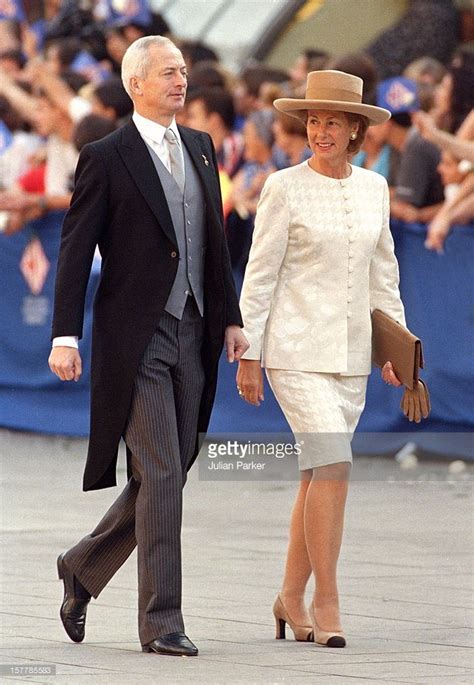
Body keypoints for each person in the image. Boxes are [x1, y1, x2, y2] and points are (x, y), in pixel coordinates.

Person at [48, 35, 248, 657]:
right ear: (135, 83)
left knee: (172, 468)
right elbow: (76, 249)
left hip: (194, 331)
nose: (181, 81)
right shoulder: (105, 156)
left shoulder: (201, 148)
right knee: (161, 469)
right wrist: (64, 334)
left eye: (184, 72)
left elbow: (211, 244)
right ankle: (162, 621)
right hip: (135, 339)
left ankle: (82, 567)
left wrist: (230, 320)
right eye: (168, 73)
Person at [236, 70, 406, 648]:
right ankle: (326, 599)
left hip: (353, 355)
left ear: (357, 128)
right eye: (312, 119)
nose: (321, 130)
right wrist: (249, 352)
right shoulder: (283, 186)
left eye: (333, 120)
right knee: (333, 463)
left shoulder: (374, 190)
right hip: (294, 351)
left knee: (318, 474)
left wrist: (396, 349)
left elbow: (384, 276)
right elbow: (259, 275)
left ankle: (288, 595)